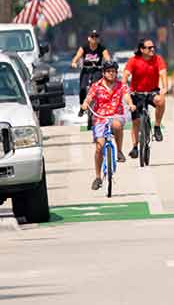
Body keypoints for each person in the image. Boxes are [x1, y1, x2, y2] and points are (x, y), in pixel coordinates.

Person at [80, 62, 130, 190]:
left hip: (116, 115)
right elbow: (89, 97)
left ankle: (119, 151)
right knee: (99, 147)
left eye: (113, 71)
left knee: (117, 125)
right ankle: (97, 177)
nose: (111, 73)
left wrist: (131, 104)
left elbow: (127, 96)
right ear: (103, 73)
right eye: (108, 71)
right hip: (99, 118)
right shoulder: (96, 86)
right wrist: (85, 104)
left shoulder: (121, 85)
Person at [123, 39, 167, 155]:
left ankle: (157, 127)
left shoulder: (158, 59)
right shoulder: (133, 60)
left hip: (152, 91)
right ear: (142, 50)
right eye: (149, 47)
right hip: (137, 93)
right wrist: (124, 85)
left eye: (153, 47)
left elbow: (163, 74)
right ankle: (135, 147)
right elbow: (126, 74)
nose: (152, 49)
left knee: (161, 100)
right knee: (136, 121)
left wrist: (164, 88)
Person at [69, 31, 111, 111]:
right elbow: (77, 56)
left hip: (97, 70)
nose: (94, 39)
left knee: (96, 87)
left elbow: (107, 57)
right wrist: (74, 62)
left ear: (98, 39)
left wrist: (109, 62)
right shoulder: (84, 47)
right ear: (89, 38)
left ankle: (98, 104)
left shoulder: (102, 48)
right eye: (92, 37)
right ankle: (82, 105)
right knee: (82, 88)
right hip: (86, 70)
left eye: (96, 37)